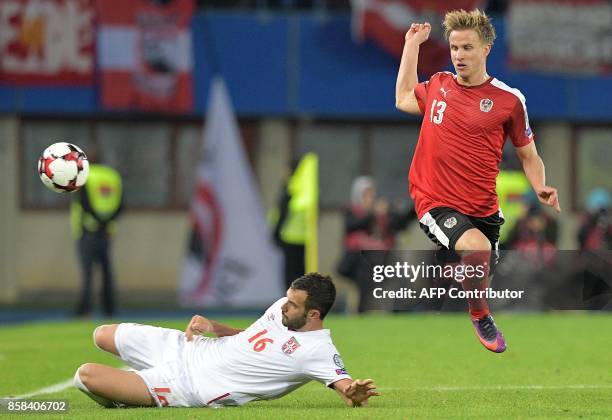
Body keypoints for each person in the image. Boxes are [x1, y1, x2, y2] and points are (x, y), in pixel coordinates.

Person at [395, 9, 561, 353]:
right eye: (454, 47)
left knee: (482, 263)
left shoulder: (510, 101)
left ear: (485, 48)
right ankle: (482, 316)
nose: (459, 55)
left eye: (467, 48)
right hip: (434, 199)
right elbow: (403, 99)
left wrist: (540, 186)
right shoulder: (439, 85)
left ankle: (468, 286)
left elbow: (528, 155)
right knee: (476, 249)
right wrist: (411, 45)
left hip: (484, 209)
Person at [73, 273, 380, 408]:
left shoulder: (319, 350)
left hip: (190, 384)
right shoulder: (281, 308)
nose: (283, 306)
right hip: (190, 347)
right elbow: (248, 337)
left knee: (85, 376)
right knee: (101, 335)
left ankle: (130, 393)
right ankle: (132, 387)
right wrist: (213, 326)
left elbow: (348, 392)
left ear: (314, 314)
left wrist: (354, 395)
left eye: (292, 304)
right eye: (286, 298)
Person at [337, 176, 415, 312]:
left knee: (402, 280)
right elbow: (352, 225)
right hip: (357, 262)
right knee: (365, 284)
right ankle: (361, 314)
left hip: (380, 261)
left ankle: (400, 311)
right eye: (366, 195)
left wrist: (415, 206)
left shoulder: (382, 216)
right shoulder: (352, 212)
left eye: (372, 194)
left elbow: (399, 223)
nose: (370, 198)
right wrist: (373, 213)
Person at [71, 152, 124, 317]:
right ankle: (109, 309)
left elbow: (85, 203)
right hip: (107, 233)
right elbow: (121, 204)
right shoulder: (113, 176)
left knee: (88, 273)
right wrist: (107, 223)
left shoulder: (85, 176)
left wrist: (98, 222)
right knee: (107, 271)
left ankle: (85, 310)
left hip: (87, 231)